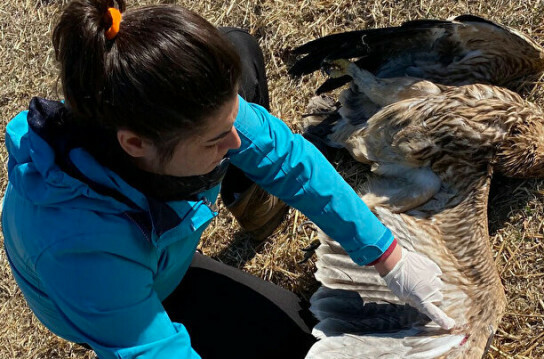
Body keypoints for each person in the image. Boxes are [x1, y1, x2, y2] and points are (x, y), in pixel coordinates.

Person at [2, 1, 455, 358]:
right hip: (141, 283)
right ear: (135, 144)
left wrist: (385, 252)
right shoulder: (82, 250)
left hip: (157, 214)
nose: (237, 139)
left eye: (232, 118)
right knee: (297, 343)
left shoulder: (170, 106)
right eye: (218, 137)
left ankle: (244, 197)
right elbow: (151, 351)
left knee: (237, 49)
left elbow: (290, 159)